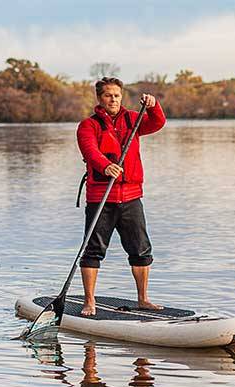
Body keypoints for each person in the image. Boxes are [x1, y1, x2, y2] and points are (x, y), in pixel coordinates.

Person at [76, 76, 167, 316]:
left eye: (116, 95)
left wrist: (153, 105)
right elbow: (90, 150)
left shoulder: (132, 120)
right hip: (101, 198)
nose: (113, 99)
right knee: (93, 250)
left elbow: (158, 123)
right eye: (108, 95)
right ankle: (89, 302)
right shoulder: (89, 125)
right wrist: (105, 165)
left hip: (131, 197)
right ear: (100, 98)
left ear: (121, 96)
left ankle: (143, 299)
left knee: (140, 250)